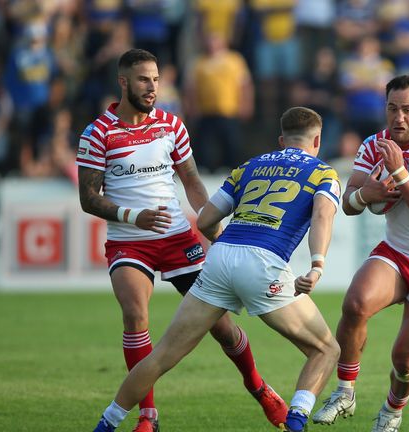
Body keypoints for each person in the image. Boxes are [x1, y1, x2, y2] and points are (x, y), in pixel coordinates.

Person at [91, 106, 342, 432]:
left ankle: (106, 423)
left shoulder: (249, 166)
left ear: (282, 140)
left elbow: (207, 219)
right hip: (264, 262)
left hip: (220, 257)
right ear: (317, 140)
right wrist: (317, 265)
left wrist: (227, 248)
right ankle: (295, 421)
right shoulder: (323, 173)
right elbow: (322, 216)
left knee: (162, 355)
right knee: (325, 348)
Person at [77, 49, 286, 432]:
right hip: (129, 240)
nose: (152, 87)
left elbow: (191, 182)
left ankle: (258, 388)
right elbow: (88, 198)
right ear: (123, 83)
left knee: (220, 326)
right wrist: (132, 216)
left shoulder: (172, 125)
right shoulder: (98, 133)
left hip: (176, 237)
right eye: (144, 79)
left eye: (156, 79)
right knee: (135, 315)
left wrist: (214, 228)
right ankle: (148, 415)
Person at [312, 75, 409, 432]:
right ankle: (345, 391)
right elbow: (350, 203)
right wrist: (368, 194)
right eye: (392, 109)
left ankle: (392, 411)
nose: (399, 117)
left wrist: (398, 172)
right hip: (398, 251)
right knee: (354, 304)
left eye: (407, 110)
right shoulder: (373, 144)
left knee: (405, 359)